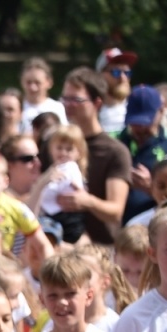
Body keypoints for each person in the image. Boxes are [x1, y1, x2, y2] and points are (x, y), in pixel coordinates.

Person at [59, 68, 132, 244]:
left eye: (76, 100)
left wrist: (87, 201)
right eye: (65, 99)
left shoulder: (114, 151)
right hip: (61, 247)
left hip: (102, 248)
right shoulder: (56, 145)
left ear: (97, 103)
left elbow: (115, 212)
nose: (68, 105)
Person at [119, 86, 167, 223]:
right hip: (122, 226)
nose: (140, 128)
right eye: (135, 122)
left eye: (146, 122)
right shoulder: (119, 143)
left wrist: (151, 187)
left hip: (162, 221)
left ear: (161, 111)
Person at [19, 58, 66, 132]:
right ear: (22, 82)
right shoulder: (16, 108)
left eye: (37, 83)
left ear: (49, 83)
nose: (33, 87)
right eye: (28, 82)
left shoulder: (57, 108)